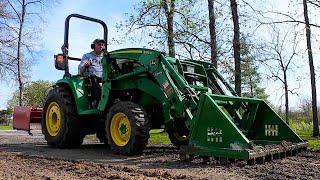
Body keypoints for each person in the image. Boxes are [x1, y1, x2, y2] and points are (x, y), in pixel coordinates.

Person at [78, 38, 105, 107]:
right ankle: (97, 100)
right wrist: (85, 65)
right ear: (93, 46)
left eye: (102, 45)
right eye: (99, 44)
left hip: (104, 77)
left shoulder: (105, 57)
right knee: (93, 76)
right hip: (92, 76)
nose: (101, 46)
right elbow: (81, 68)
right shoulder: (87, 56)